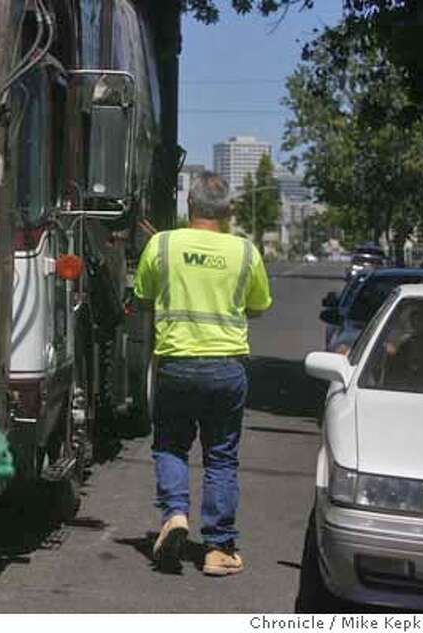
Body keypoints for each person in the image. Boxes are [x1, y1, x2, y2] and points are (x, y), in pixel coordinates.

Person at [134, 171, 272, 576]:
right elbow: (259, 305)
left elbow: (143, 296)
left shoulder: (163, 244)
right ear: (228, 212)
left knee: (171, 445)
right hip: (226, 369)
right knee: (221, 457)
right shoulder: (245, 252)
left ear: (188, 206)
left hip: (176, 366)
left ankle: (175, 513)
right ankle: (217, 549)